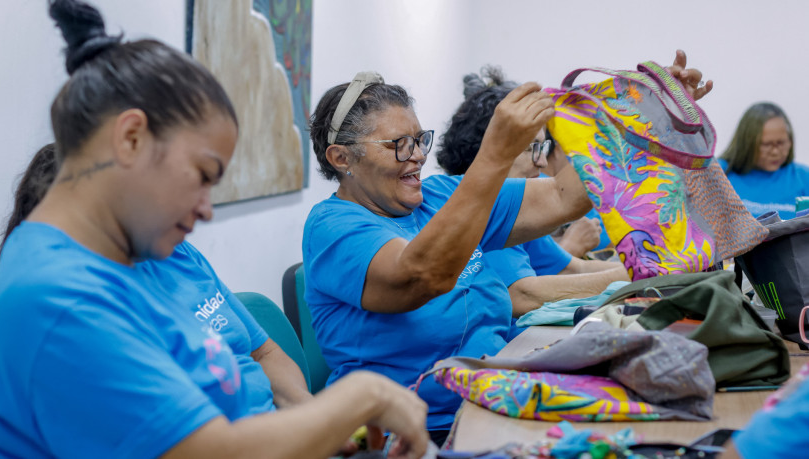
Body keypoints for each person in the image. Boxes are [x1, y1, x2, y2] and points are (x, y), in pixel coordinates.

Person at [0, 1, 428, 458]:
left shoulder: (121, 262)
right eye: (201, 175)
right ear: (130, 138)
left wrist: (318, 426)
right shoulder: (58, 298)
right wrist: (361, 397)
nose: (206, 210)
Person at [303, 53, 709, 442]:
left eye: (419, 140)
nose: (419, 156)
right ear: (342, 158)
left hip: (490, 399)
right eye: (399, 145)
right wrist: (495, 153)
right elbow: (421, 277)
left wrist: (653, 121)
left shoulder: (441, 195)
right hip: (414, 432)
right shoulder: (333, 228)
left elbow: (566, 196)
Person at [0, 143, 312, 413]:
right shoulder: (80, 309)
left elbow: (263, 352)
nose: (200, 210)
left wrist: (310, 418)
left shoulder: (178, 254)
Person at [437, 66, 629, 318]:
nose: (542, 161)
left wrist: (653, 271)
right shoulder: (468, 209)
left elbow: (571, 270)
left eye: (543, 147)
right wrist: (650, 275)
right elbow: (524, 295)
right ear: (493, 147)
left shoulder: (515, 209)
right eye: (532, 148)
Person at [719, 102, 809, 220]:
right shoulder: (720, 173)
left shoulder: (803, 177)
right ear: (747, 143)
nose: (775, 152)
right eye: (766, 144)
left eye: (781, 143)